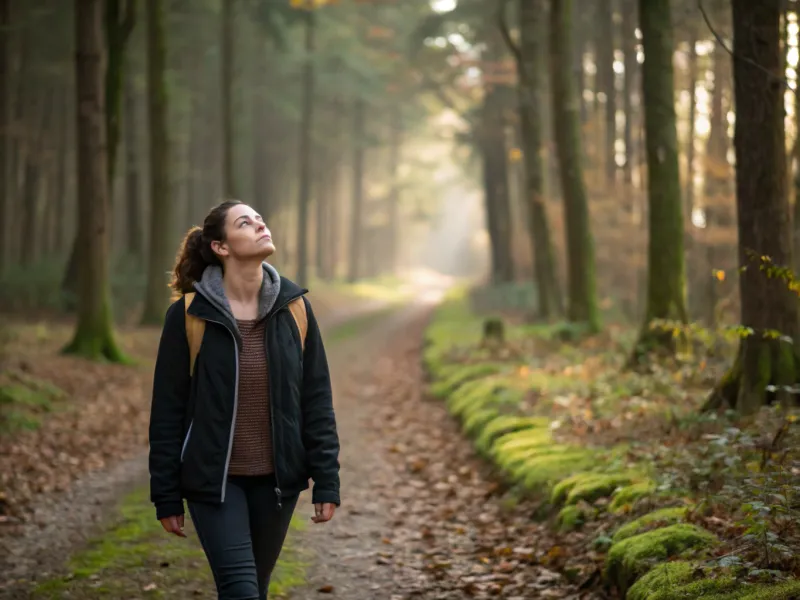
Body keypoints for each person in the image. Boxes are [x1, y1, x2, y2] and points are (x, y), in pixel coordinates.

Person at [148, 200, 341, 600]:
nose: (259, 224)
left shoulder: (295, 309)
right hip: (214, 483)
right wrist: (165, 492)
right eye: (245, 222)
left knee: (255, 587)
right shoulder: (189, 315)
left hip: (277, 484)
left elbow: (316, 400)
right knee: (241, 590)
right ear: (221, 246)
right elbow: (167, 412)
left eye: (259, 219)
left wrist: (327, 480)